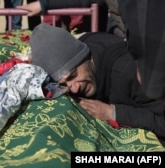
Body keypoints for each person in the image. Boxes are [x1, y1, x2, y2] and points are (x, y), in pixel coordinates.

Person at [29, 23, 165, 146]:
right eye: (64, 84)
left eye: (73, 75)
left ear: (85, 56)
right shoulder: (84, 43)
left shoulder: (129, 72)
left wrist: (113, 113)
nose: (74, 89)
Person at [18, 0, 165, 100]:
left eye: (73, 75)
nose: (73, 88)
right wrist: (45, 4)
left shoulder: (125, 71)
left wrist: (151, 83)